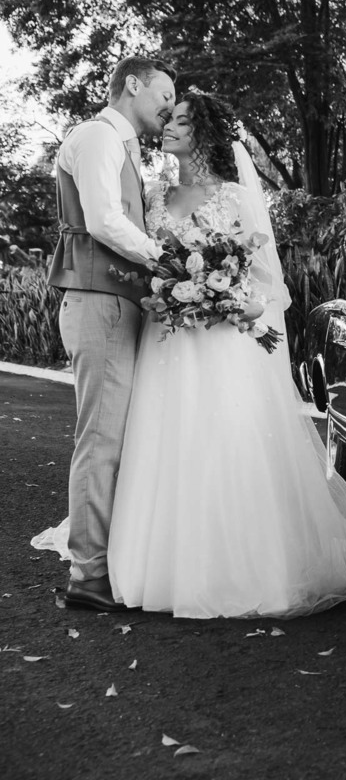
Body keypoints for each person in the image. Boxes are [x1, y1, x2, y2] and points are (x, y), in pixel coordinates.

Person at [37, 90, 346, 618]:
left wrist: (237, 301)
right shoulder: (154, 197)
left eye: (180, 120)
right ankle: (153, 568)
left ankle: (237, 568)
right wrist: (177, 286)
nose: (168, 125)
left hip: (222, 343)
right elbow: (141, 256)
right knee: (158, 445)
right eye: (168, 116)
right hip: (165, 339)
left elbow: (267, 281)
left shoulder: (236, 197)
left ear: (203, 134)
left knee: (222, 445)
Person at [46, 55, 177, 612]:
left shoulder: (122, 146)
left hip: (115, 300)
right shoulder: (99, 136)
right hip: (99, 300)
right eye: (165, 95)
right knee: (100, 440)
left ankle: (103, 560)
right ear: (133, 85)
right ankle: (88, 574)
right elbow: (102, 220)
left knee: (113, 438)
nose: (169, 107)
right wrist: (167, 260)